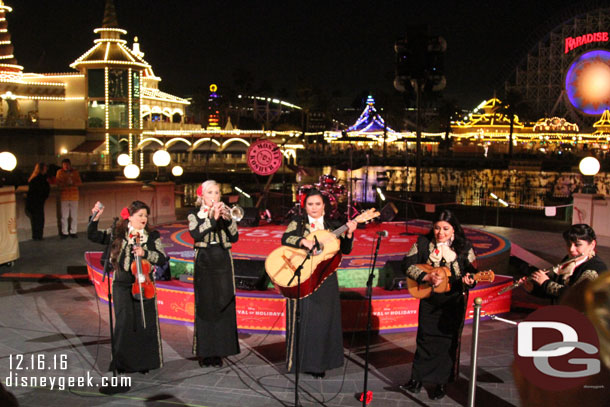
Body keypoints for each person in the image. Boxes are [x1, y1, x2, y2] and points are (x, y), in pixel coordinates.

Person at [400, 210, 476, 400]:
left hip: (453, 302)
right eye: (437, 228)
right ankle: (417, 379)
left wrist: (470, 281)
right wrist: (425, 276)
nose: (440, 233)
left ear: (454, 230)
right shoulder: (423, 243)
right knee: (425, 338)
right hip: (429, 299)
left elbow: (473, 273)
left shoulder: (464, 247)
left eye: (445, 229)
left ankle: (441, 383)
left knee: (447, 342)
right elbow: (407, 265)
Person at [281, 189, 357, 378]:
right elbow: (285, 239)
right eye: (310, 204)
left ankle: (319, 364)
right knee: (305, 319)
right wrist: (302, 242)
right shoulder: (298, 223)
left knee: (323, 322)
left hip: (326, 277)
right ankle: (301, 361)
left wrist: (349, 234)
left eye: (317, 204)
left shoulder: (333, 226)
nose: (314, 208)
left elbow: (345, 250)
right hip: (304, 275)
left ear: (324, 206)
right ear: (304, 206)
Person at [88, 200, 166, 374]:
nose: (144, 218)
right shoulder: (118, 232)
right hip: (122, 285)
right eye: (140, 215)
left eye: (146, 215)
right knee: (124, 324)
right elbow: (94, 236)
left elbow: (162, 258)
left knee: (145, 323)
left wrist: (144, 253)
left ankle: (144, 362)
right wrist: (94, 218)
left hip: (144, 285)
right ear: (129, 217)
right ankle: (122, 363)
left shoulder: (152, 235)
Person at [187, 180, 240, 368]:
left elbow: (234, 237)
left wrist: (227, 219)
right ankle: (206, 352)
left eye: (217, 192)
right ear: (202, 196)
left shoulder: (226, 213)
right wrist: (211, 218)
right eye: (211, 192)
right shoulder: (195, 214)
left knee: (223, 304)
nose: (215, 196)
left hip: (223, 260)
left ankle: (220, 350)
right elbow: (196, 234)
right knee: (206, 305)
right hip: (204, 260)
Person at [520, 223, 607, 302]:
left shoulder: (596, 268)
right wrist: (533, 289)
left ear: (592, 244)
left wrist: (546, 283)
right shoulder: (568, 261)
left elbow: (576, 296)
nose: (571, 249)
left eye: (577, 244)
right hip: (562, 314)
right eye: (569, 244)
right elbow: (556, 294)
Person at [56, 158, 82, 238]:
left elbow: (80, 183)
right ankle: (65, 232)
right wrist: (66, 183)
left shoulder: (75, 172)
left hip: (74, 196)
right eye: (64, 165)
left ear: (70, 165)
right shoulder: (60, 172)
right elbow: (58, 183)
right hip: (64, 196)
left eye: (67, 165)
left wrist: (73, 182)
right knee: (64, 216)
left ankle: (73, 231)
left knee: (74, 215)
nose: (66, 166)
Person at [25, 162, 50, 240]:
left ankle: (36, 236)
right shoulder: (41, 179)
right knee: (39, 219)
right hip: (38, 202)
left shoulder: (33, 179)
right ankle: (38, 236)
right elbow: (44, 190)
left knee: (36, 220)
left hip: (33, 202)